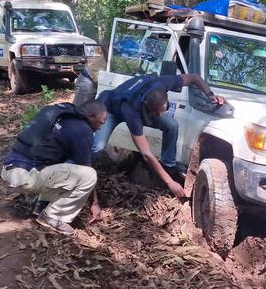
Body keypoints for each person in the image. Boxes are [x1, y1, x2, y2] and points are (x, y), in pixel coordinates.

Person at [92, 74, 225, 198]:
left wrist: (210, 95)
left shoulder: (162, 83)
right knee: (98, 147)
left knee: (171, 124)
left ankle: (169, 165)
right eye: (157, 113)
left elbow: (194, 78)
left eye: (163, 110)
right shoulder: (132, 111)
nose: (160, 115)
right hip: (110, 109)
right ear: (147, 106)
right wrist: (169, 183)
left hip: (141, 106)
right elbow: (146, 154)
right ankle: (85, 171)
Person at [1, 100, 107, 236]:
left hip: (10, 167)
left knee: (66, 167)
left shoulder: (62, 114)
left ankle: (43, 205)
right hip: (26, 177)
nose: (100, 127)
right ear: (91, 116)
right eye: (101, 122)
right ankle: (53, 217)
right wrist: (95, 203)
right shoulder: (82, 130)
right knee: (89, 175)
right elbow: (85, 166)